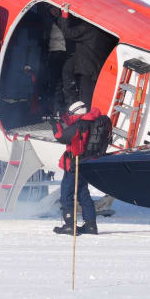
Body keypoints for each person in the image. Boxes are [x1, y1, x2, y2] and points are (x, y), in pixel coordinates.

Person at [53, 100, 100, 235]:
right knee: (83, 193)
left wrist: (55, 125)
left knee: (66, 196)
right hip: (86, 163)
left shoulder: (80, 124)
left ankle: (69, 225)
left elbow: (61, 136)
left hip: (75, 164)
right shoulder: (92, 121)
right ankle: (91, 226)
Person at [57, 6, 112, 108]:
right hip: (98, 66)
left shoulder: (88, 29)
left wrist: (64, 15)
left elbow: (68, 33)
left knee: (85, 99)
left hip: (88, 67)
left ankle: (82, 116)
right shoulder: (106, 31)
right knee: (68, 69)